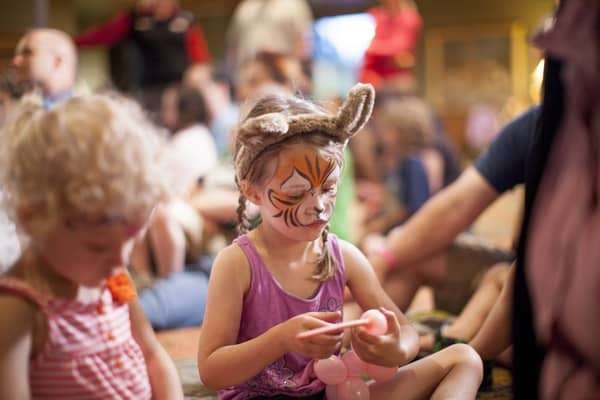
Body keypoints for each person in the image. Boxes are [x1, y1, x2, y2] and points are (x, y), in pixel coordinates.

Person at [197, 83, 483, 399]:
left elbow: (408, 335)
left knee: (464, 359)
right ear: (252, 192)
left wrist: (392, 349)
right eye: (296, 193)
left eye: (329, 188)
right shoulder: (237, 263)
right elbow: (211, 371)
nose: (319, 205)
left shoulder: (343, 256)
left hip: (334, 392)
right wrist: (280, 340)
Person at [0, 93, 183, 399]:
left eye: (129, 244)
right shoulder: (18, 311)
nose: (118, 261)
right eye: (97, 248)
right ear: (33, 219)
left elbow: (153, 356)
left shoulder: (113, 278)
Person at [370, 105, 541, 309]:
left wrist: (383, 251)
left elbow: (443, 206)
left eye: (386, 129)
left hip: (534, 273)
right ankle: (374, 332)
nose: (380, 135)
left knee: (396, 248)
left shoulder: (416, 161)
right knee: (405, 254)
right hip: (510, 259)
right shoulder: (534, 125)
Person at [76, 0, 211, 111]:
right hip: (147, 91)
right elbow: (103, 34)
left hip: (178, 90)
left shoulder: (186, 20)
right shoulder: (136, 19)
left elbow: (201, 59)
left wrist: (198, 75)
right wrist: (73, 43)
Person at [359, 0, 423, 88]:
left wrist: (374, 48)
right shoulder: (377, 15)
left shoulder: (409, 18)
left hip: (396, 81)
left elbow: (399, 47)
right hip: (374, 79)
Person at [12, 28, 77, 108]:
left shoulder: (89, 115)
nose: (15, 61)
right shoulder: (14, 110)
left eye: (27, 53)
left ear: (57, 61)